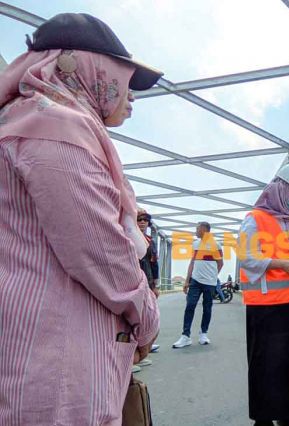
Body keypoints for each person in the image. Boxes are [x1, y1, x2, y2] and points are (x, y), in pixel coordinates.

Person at [0, 13, 162, 424]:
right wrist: (146, 319)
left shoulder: (21, 119)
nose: (132, 96)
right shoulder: (54, 125)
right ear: (84, 66)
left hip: (30, 341)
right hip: (57, 359)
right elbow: (98, 250)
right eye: (125, 78)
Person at [237, 162, 289, 426]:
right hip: (265, 306)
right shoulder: (255, 219)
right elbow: (246, 257)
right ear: (282, 189)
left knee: (288, 361)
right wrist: (279, 264)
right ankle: (263, 419)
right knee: (263, 363)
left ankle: (288, 414)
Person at [173, 221, 223, 348]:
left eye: (197, 228)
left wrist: (213, 276)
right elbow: (192, 262)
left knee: (207, 308)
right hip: (195, 281)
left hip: (210, 283)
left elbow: (220, 263)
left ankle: (203, 333)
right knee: (190, 305)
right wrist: (186, 281)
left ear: (204, 230)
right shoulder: (195, 244)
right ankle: (185, 336)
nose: (195, 230)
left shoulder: (216, 245)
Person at [137, 208, 161, 358]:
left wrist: (155, 285)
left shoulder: (150, 242)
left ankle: (145, 345)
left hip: (147, 280)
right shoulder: (127, 236)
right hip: (133, 281)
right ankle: (134, 351)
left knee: (147, 314)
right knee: (133, 315)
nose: (142, 222)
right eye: (139, 219)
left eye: (145, 220)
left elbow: (154, 264)